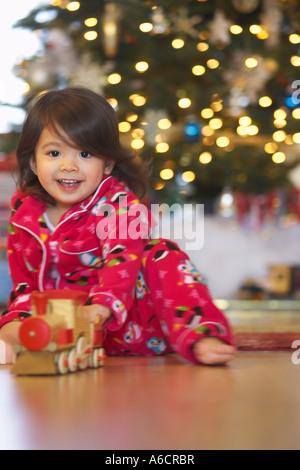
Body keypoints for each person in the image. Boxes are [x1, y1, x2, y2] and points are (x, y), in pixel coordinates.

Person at [0, 87, 235, 366]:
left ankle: (200, 335)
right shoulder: (24, 213)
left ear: (108, 164)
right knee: (13, 319)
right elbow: (25, 283)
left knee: (161, 253)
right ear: (34, 163)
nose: (68, 165)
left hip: (126, 324)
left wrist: (102, 305)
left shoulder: (120, 206)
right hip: (60, 319)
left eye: (85, 154)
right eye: (54, 153)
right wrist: (24, 315)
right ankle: (27, 341)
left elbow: (121, 261)